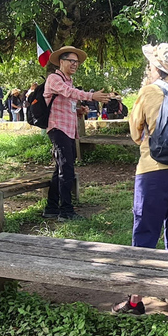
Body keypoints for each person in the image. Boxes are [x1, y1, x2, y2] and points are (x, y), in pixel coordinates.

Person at [112, 43, 168, 315]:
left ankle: (135, 300)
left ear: (158, 69)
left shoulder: (149, 92)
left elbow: (135, 133)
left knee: (145, 231)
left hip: (153, 172)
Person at [42, 46, 109, 221]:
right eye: (71, 61)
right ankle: (66, 211)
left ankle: (51, 208)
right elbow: (69, 93)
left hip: (69, 130)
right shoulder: (54, 78)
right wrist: (91, 96)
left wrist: (78, 111)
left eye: (77, 62)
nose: (75, 64)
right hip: (58, 129)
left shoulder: (69, 81)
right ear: (61, 62)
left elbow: (66, 103)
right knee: (67, 169)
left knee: (61, 168)